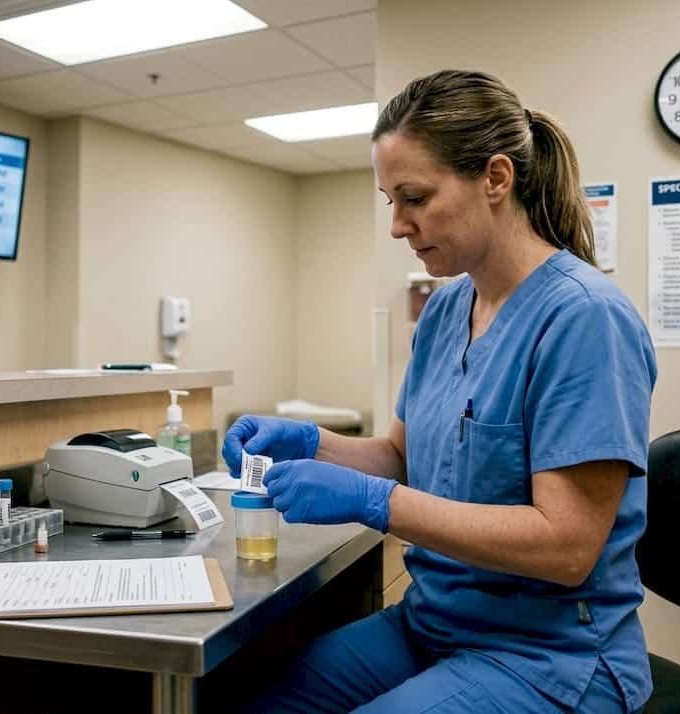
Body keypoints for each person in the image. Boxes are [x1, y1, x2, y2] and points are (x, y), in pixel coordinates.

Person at [223, 69, 657, 713]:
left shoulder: (584, 318)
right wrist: (314, 444)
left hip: (550, 654)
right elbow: (403, 454)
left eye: (415, 197)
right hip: (431, 624)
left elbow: (567, 548)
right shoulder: (448, 308)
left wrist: (376, 502)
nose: (398, 225)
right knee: (251, 699)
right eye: (388, 200)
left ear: (496, 179)